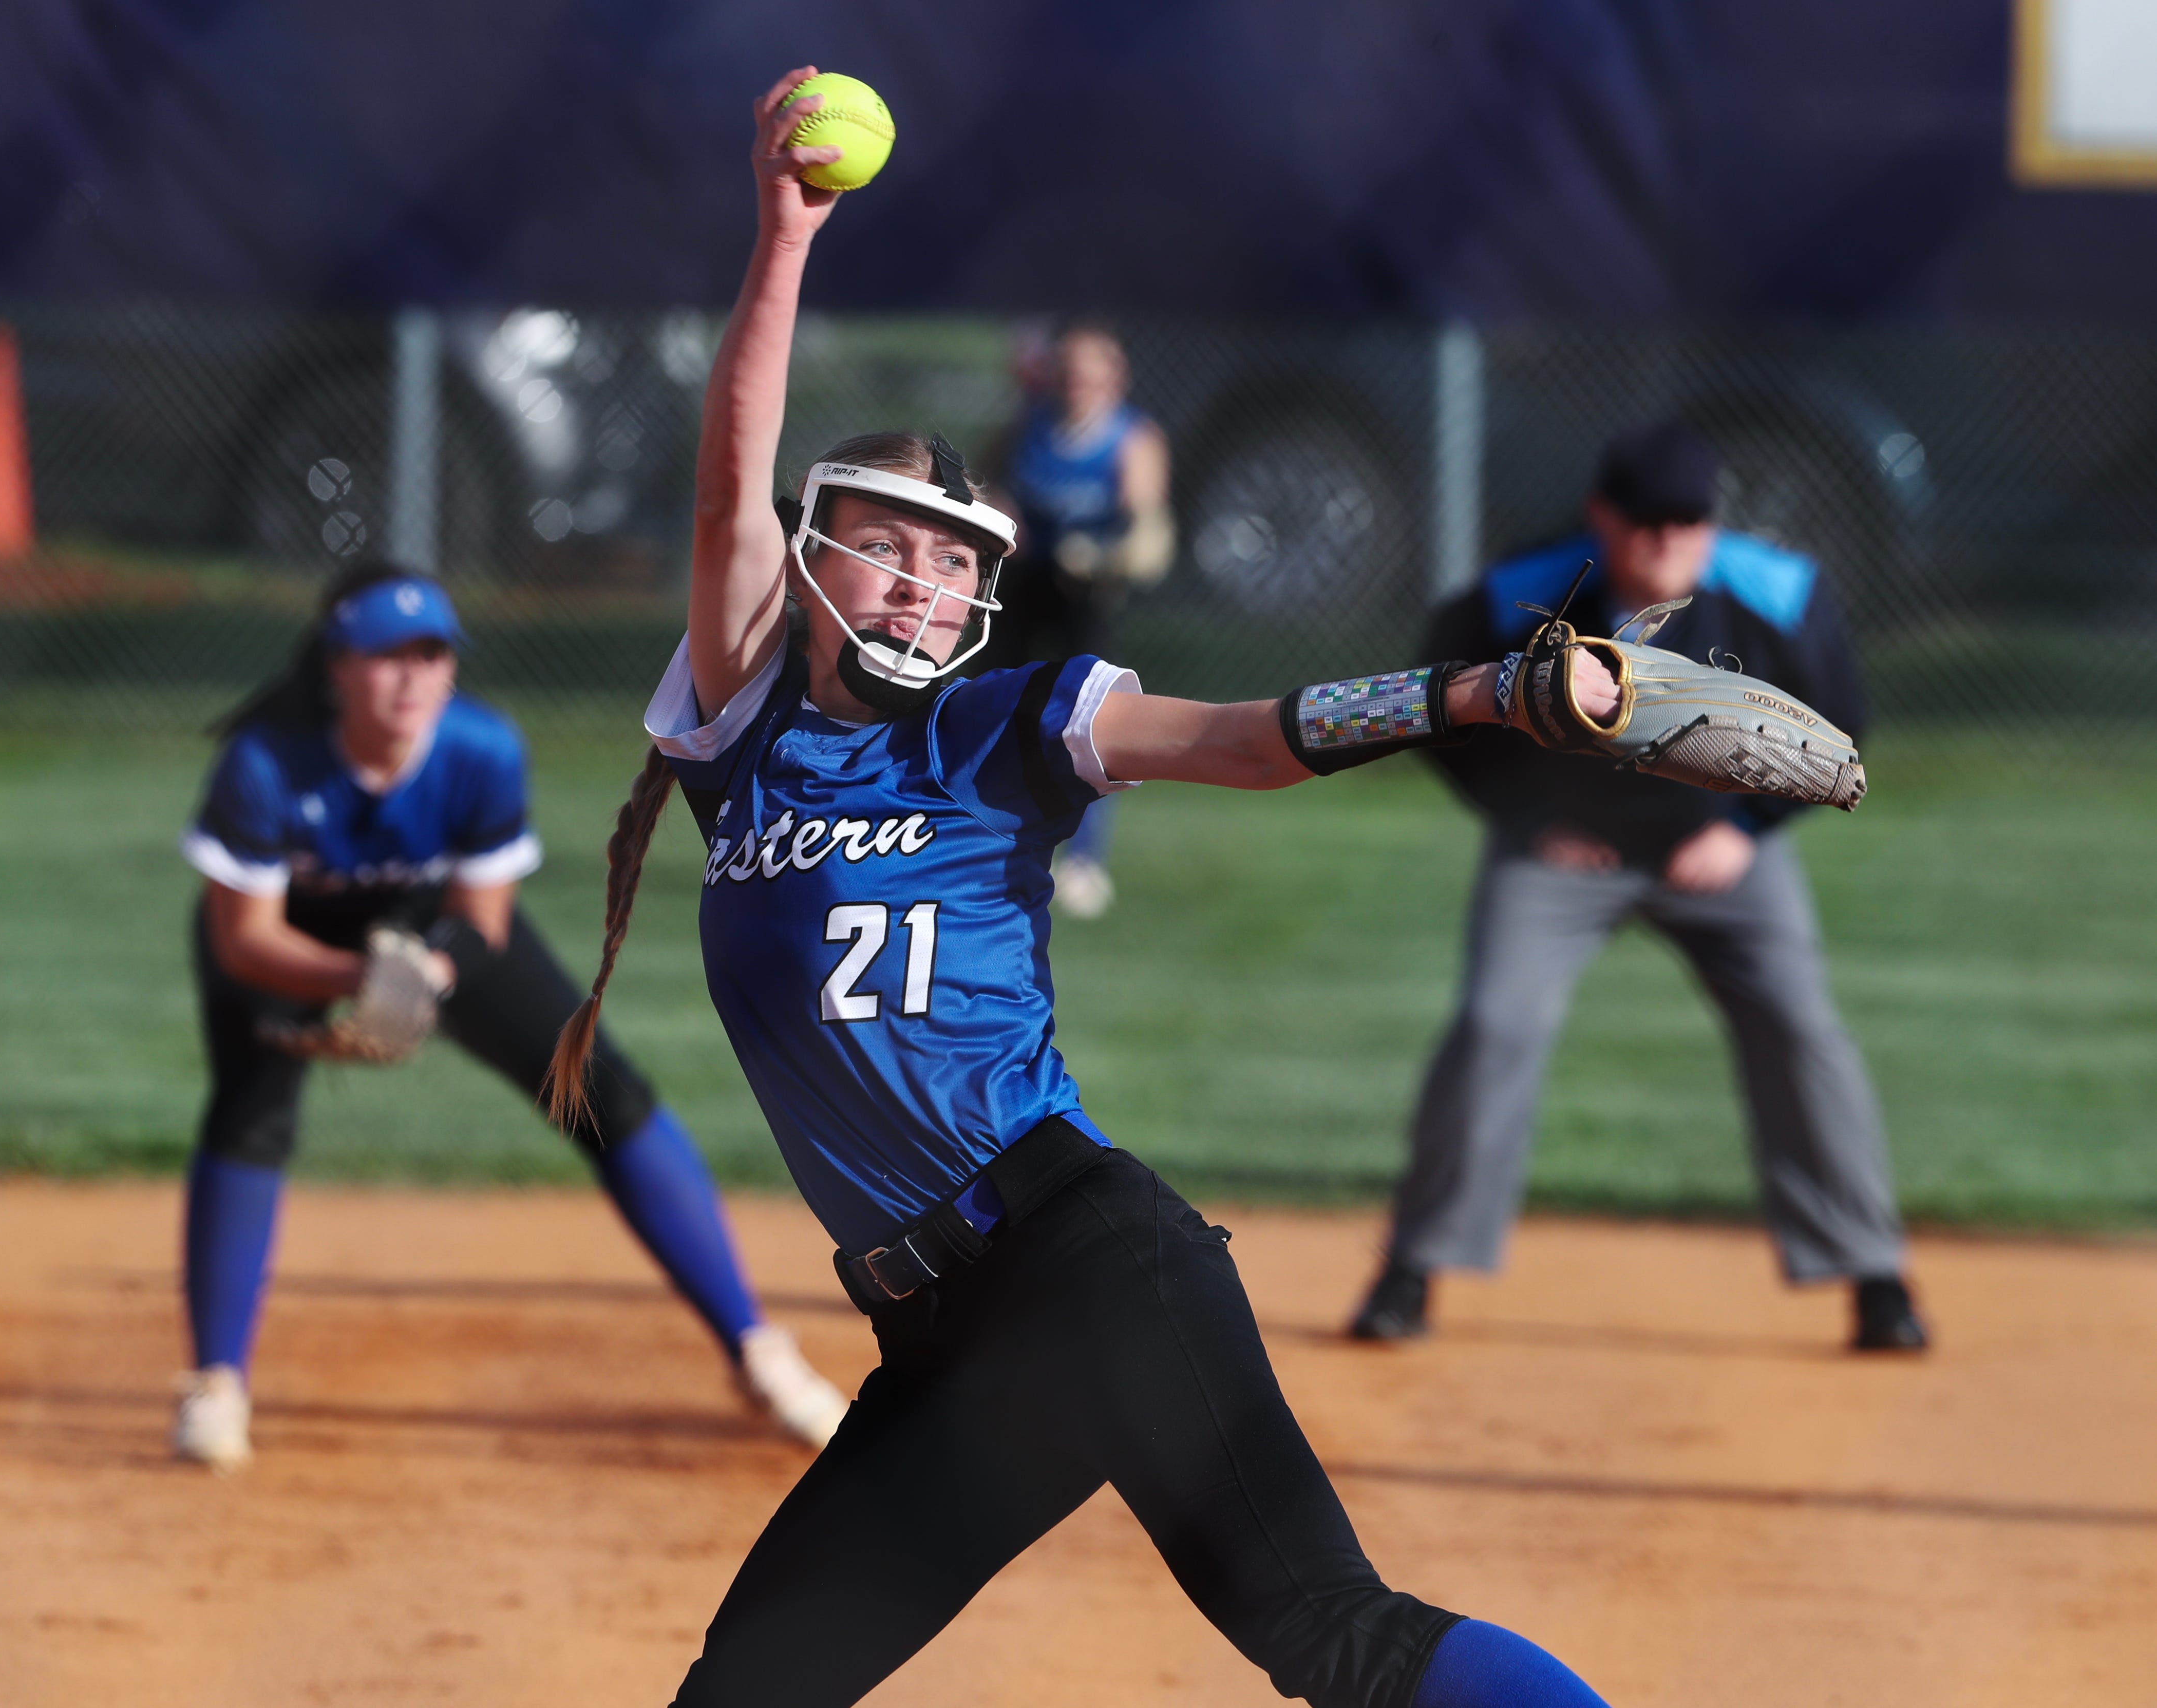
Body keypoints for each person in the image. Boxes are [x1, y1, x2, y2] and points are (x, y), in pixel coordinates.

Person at [546, 69, 1635, 1708]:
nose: (931, 578)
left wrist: (1466, 694)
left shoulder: (1008, 724)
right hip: (946, 1345)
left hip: (1085, 1258)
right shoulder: (743, 732)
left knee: (1327, 1631)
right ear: (815, 551)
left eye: (959, 558)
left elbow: (1242, 740)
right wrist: (781, 240)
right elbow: (725, 483)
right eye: (893, 541)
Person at [170, 559, 849, 1472]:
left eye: (433, 654)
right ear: (336, 665)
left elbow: (484, 919)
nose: (412, 677)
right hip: (294, 938)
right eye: (384, 656)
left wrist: (430, 976)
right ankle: (217, 1383)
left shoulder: (480, 749)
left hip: (439, 927)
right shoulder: (265, 761)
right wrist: (364, 976)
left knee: (602, 1090)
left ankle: (757, 1348)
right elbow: (244, 937)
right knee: (251, 1111)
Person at [1347, 420, 1929, 1354]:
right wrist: (1534, 825)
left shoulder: (1779, 591)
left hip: (1721, 851)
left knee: (1802, 1026)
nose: (1670, 539)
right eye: (1648, 520)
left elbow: (1840, 729)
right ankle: (1413, 1265)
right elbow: (1433, 707)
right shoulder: (1527, 594)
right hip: (1565, 857)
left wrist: (1745, 828)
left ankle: (1876, 1276)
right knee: (1498, 1021)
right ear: (1601, 519)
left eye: (1689, 519)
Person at [982, 317, 1174, 918]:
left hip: (1088, 595)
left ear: (1116, 381)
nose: (1078, 387)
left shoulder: (1131, 439)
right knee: (1002, 708)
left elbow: (1146, 532)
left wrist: (1102, 555)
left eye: (1092, 376)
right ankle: (993, 839)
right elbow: (984, 489)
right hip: (1023, 586)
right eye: (1068, 375)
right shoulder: (1027, 428)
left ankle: (1085, 859)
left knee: (1088, 721)